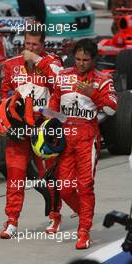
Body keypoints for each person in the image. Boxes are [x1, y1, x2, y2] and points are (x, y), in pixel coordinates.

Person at [47, 38, 118, 249]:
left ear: (93, 59)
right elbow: (54, 103)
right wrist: (47, 117)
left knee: (85, 186)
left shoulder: (103, 80)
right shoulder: (63, 76)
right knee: (64, 187)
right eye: (77, 59)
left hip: (88, 135)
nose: (80, 63)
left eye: (85, 60)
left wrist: (92, 93)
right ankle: (83, 212)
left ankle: (84, 231)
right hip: (65, 135)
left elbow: (112, 109)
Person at [0, 23, 63, 239]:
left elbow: (59, 85)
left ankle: (55, 217)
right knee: (15, 176)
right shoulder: (10, 65)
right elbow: (4, 96)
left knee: (49, 175)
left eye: (35, 44)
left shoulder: (52, 62)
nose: (30, 47)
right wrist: (8, 123)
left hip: (43, 127)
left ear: (42, 45)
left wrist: (37, 60)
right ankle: (12, 221)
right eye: (27, 43)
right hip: (19, 129)